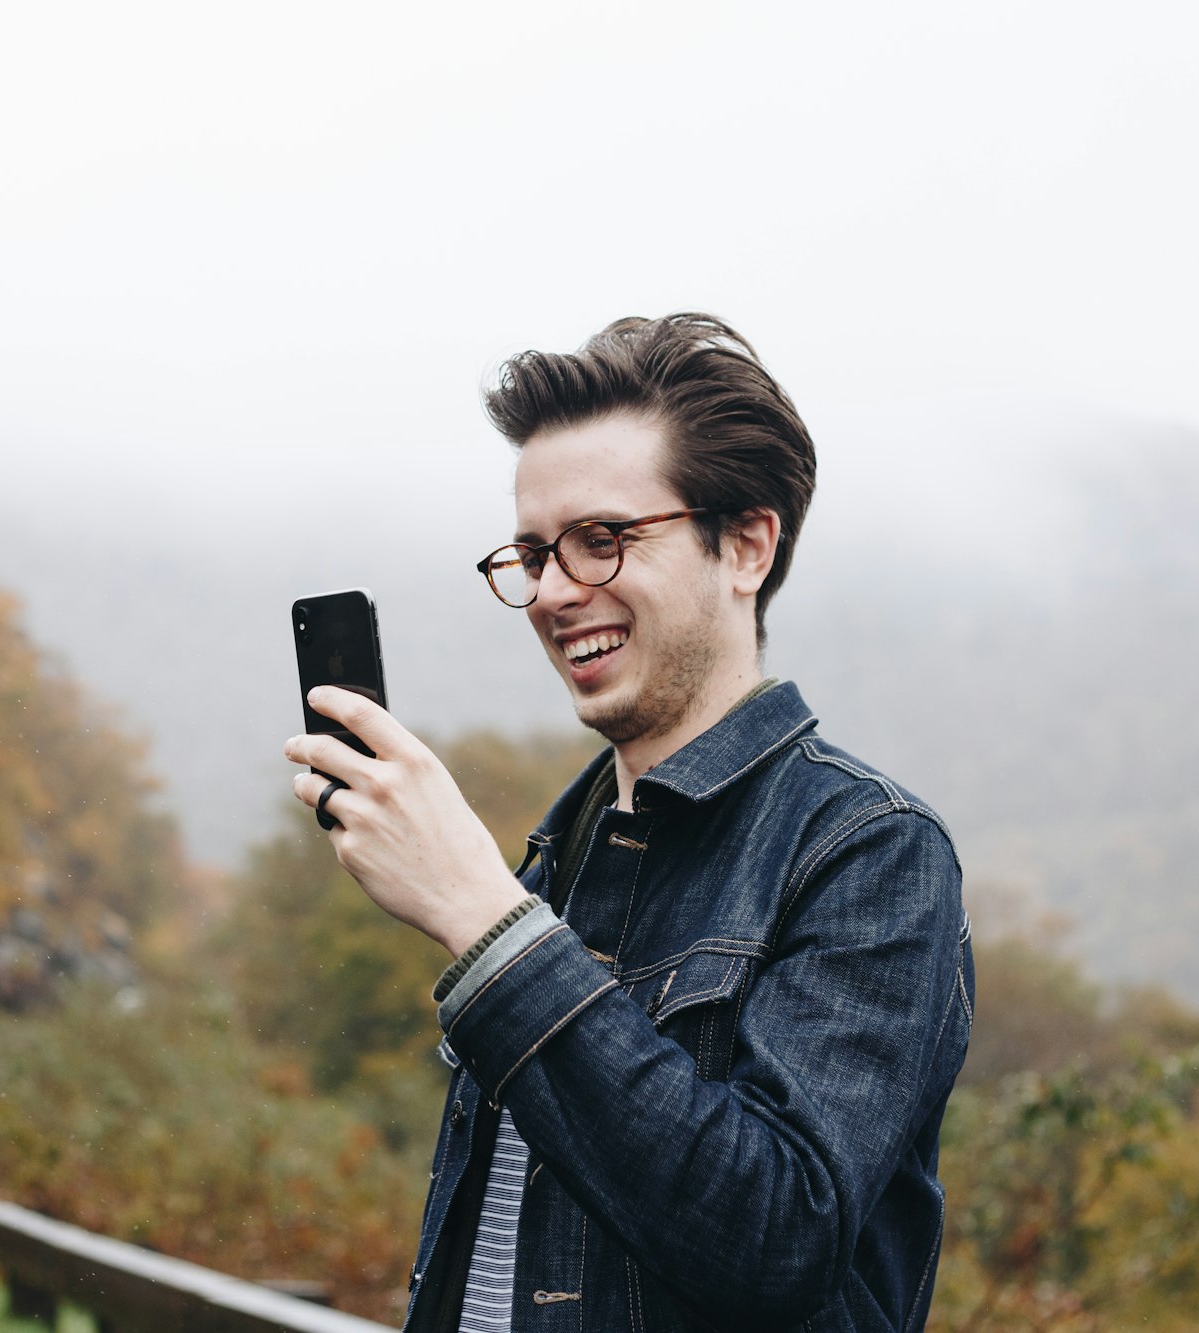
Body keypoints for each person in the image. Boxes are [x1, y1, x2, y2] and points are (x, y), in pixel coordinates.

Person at [282, 313, 972, 1332]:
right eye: (531, 553)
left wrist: (483, 918)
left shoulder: (869, 849)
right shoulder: (559, 854)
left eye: (601, 541)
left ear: (743, 545)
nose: (554, 592)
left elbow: (774, 1238)